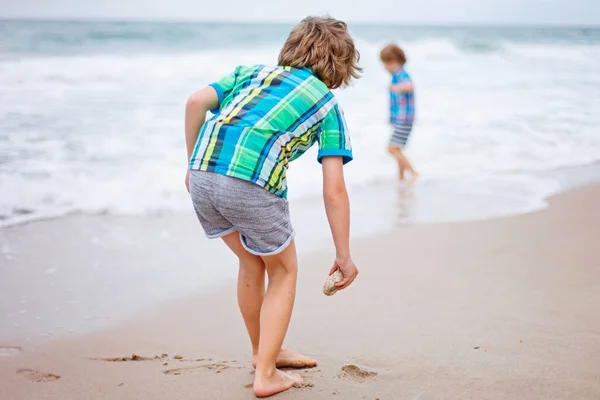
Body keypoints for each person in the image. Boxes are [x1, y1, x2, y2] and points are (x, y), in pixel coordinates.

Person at [183, 16, 360, 398]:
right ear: (341, 65)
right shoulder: (327, 104)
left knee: (251, 261)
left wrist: (190, 162)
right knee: (283, 272)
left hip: (202, 174)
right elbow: (335, 191)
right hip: (250, 184)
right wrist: (344, 255)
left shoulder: (250, 73)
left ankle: (264, 351)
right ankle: (266, 374)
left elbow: (195, 101)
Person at [380, 44, 418, 183]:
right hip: (400, 119)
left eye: (385, 64)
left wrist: (396, 88)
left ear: (393, 61)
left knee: (392, 148)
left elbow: (409, 86)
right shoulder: (396, 75)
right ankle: (401, 178)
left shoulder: (401, 74)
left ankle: (413, 173)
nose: (384, 68)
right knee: (398, 149)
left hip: (404, 119)